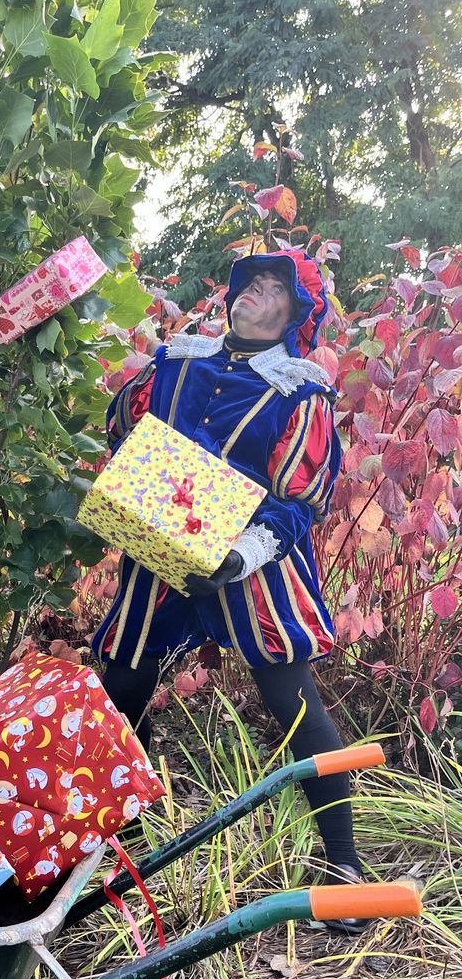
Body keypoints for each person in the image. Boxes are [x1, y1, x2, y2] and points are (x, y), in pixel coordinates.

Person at [94, 249, 366, 933]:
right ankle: (129, 840)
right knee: (124, 687)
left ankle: (346, 865)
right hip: (161, 551)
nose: (256, 295)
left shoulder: (301, 392)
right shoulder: (179, 360)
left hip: (256, 566)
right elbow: (124, 429)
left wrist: (239, 553)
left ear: (294, 314)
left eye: (275, 289)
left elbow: (300, 498)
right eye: (252, 283)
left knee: (294, 703)